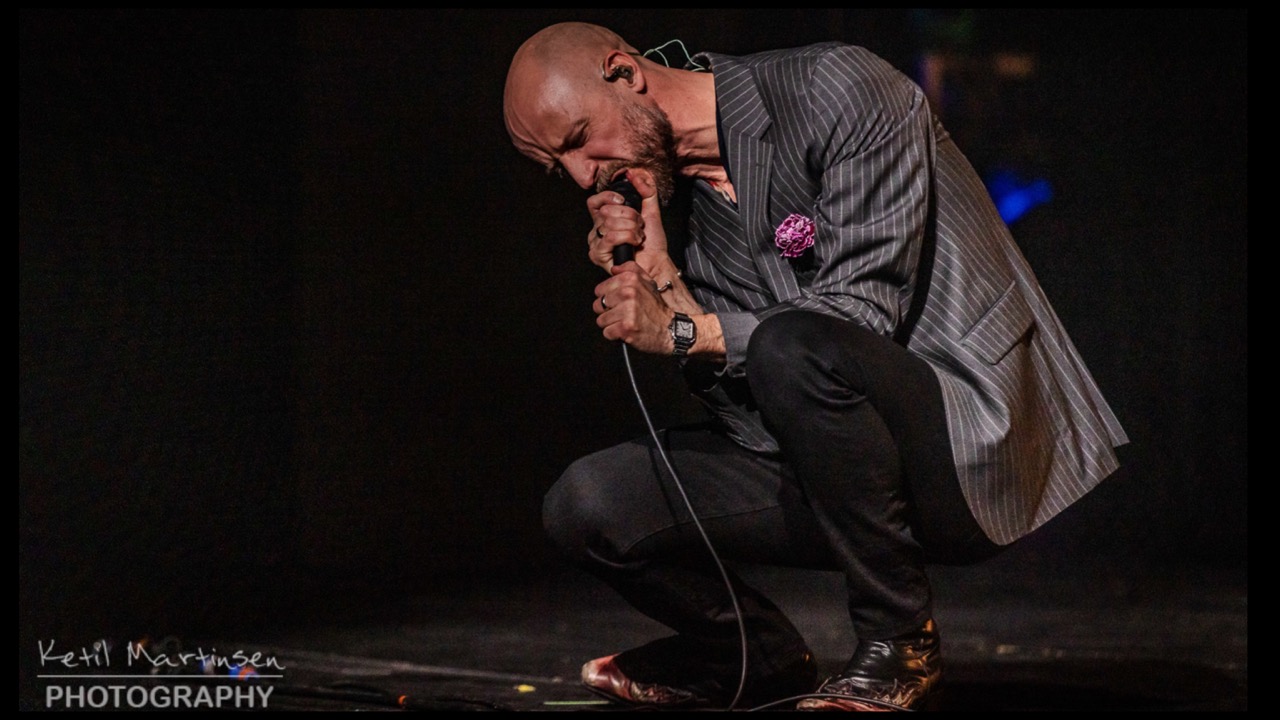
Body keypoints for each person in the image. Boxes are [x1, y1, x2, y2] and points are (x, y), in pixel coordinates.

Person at [503, 22, 1127, 711]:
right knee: (587, 504)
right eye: (556, 166)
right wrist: (666, 283)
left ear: (625, 72)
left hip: (962, 436)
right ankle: (751, 653)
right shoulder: (685, 212)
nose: (582, 175)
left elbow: (855, 316)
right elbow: (758, 423)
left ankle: (899, 644)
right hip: (840, 471)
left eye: (578, 138)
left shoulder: (836, 89)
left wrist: (684, 329)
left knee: (790, 344)